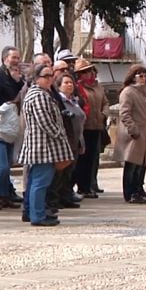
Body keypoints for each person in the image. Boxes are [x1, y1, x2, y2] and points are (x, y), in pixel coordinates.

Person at [19, 63, 73, 227]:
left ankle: (30, 211)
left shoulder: (40, 93)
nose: (50, 79)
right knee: (40, 182)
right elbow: (45, 121)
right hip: (43, 146)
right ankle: (38, 215)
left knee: (35, 180)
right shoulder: (38, 96)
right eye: (46, 76)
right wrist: (60, 134)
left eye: (51, 76)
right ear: (36, 78)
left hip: (39, 144)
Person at [0, 46, 25, 204]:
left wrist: (18, 82)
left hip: (13, 125)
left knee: (8, 164)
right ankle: (0, 193)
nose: (16, 61)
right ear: (5, 59)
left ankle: (6, 192)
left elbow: (19, 96)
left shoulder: (17, 77)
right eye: (13, 58)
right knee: (1, 165)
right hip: (0, 124)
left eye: (18, 58)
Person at [114, 65, 146, 204]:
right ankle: (129, 193)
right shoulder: (128, 92)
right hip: (134, 134)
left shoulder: (145, 92)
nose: (143, 78)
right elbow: (124, 113)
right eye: (140, 75)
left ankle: (137, 190)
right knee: (131, 165)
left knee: (140, 166)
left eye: (145, 75)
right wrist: (133, 129)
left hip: (144, 133)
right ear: (133, 76)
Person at [74, 58, 109, 198]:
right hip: (85, 127)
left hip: (97, 126)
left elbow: (105, 102)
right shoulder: (78, 88)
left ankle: (90, 185)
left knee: (93, 158)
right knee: (83, 159)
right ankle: (82, 187)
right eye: (84, 72)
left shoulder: (98, 86)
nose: (88, 74)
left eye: (89, 71)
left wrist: (103, 114)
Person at [54, 72, 86, 206]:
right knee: (60, 172)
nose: (69, 85)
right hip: (64, 140)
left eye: (71, 83)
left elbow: (80, 122)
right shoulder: (59, 102)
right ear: (59, 86)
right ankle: (57, 198)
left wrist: (81, 142)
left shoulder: (75, 101)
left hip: (76, 140)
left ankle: (67, 196)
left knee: (70, 171)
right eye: (66, 83)